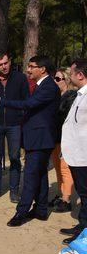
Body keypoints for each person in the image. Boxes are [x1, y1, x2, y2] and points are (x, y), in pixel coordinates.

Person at [0, 55, 61, 227]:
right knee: (40, 174)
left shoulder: (48, 87)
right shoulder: (42, 85)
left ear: (43, 69)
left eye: (32, 66)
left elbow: (29, 104)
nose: (28, 69)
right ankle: (41, 209)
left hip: (41, 139)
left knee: (30, 176)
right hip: (37, 138)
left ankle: (21, 212)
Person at [0, 53, 29, 202]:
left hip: (14, 124)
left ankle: (14, 191)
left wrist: (20, 116)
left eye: (6, 62)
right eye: (0, 64)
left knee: (15, 157)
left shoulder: (20, 78)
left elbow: (26, 101)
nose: (4, 66)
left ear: (10, 61)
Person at [60, 59, 87, 244]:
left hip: (84, 155)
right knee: (83, 193)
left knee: (86, 194)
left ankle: (84, 234)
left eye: (72, 72)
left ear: (80, 75)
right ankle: (83, 226)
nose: (69, 76)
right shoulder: (79, 94)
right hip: (75, 154)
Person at [50, 67, 77, 213]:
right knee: (58, 168)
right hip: (55, 138)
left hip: (65, 139)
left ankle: (66, 200)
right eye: (55, 78)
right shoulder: (56, 96)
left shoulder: (71, 96)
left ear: (66, 80)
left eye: (58, 79)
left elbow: (65, 118)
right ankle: (61, 196)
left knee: (65, 169)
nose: (55, 81)